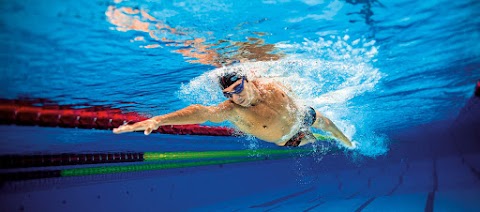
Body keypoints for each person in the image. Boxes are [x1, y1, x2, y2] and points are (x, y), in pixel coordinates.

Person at [113, 72, 355, 148]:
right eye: (228, 94)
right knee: (320, 142)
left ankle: (351, 145)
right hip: (291, 137)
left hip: (304, 115)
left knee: (334, 130)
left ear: (248, 81)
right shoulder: (232, 111)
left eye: (238, 88)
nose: (234, 96)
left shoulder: (269, 83)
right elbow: (202, 112)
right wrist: (158, 120)